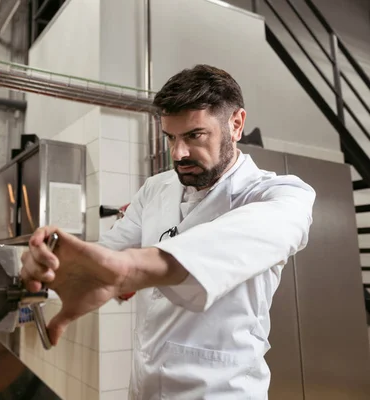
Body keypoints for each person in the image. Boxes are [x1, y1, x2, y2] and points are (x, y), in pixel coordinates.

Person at [20, 64, 316, 399]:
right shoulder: (155, 189)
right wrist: (53, 264)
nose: (178, 153)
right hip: (145, 386)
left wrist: (130, 269)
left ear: (235, 124)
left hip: (222, 391)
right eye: (170, 138)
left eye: (194, 135)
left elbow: (255, 232)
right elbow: (106, 257)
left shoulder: (281, 194)